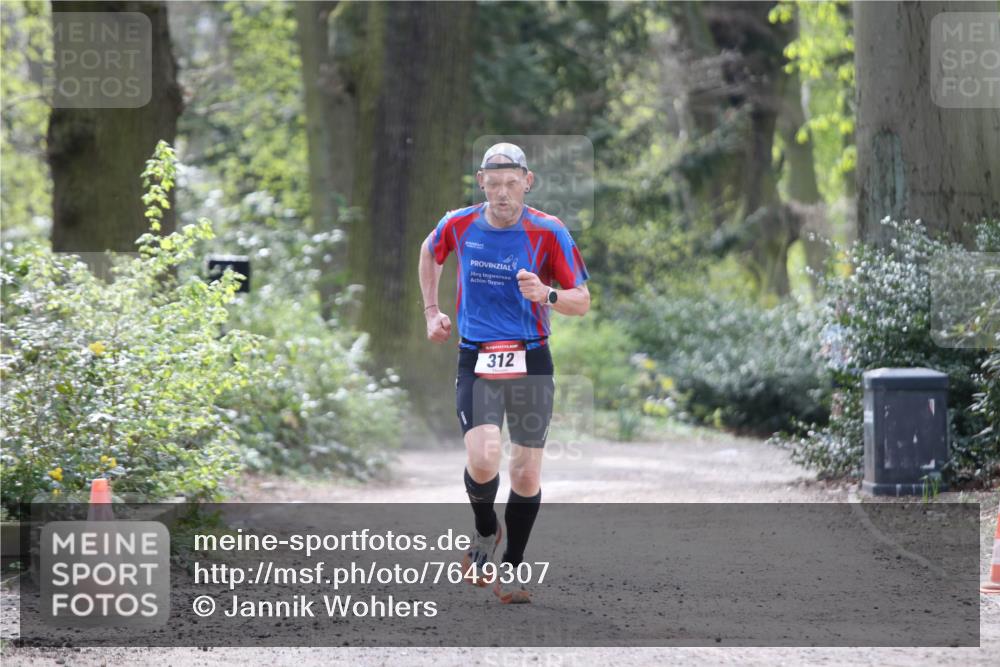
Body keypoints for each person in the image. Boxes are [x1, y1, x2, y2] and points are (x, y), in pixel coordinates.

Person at [417, 142, 591, 604]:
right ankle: (483, 533)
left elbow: (582, 301)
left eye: (512, 183)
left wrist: (546, 295)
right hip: (476, 357)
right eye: (494, 184)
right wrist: (432, 311)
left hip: (531, 359)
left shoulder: (549, 232)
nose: (502, 193)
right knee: (483, 459)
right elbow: (429, 251)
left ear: (527, 182)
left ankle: (511, 569)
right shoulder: (458, 223)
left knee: (527, 475)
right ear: (481, 182)